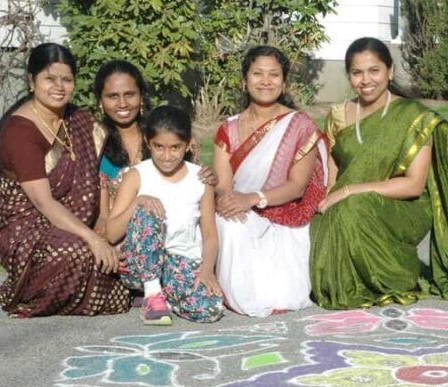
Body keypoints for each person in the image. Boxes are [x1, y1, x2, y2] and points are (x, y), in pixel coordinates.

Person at [309, 37, 448, 309]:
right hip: (349, 201)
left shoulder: (415, 116)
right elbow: (334, 168)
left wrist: (349, 190)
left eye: (374, 70)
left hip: (403, 207)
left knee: (352, 207)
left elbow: (414, 185)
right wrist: (330, 195)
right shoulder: (339, 114)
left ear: (389, 72)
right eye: (357, 73)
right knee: (323, 220)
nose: (366, 80)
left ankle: (395, 277)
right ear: (349, 76)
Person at [0, 43, 130, 318]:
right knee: (78, 251)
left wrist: (104, 222)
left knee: (110, 250)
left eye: (66, 79)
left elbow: (113, 159)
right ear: (32, 81)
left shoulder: (77, 119)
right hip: (25, 227)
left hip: (71, 223)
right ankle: (32, 295)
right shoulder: (21, 131)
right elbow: (42, 202)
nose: (59, 86)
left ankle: (83, 289)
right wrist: (94, 239)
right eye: (49, 78)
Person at [213, 45, 328, 317]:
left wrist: (253, 199)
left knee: (287, 295)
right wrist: (227, 200)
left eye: (274, 75)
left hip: (285, 213)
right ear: (244, 81)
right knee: (226, 223)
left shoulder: (299, 125)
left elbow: (297, 186)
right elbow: (221, 184)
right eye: (257, 74)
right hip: (241, 211)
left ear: (284, 82)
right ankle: (237, 295)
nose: (265, 81)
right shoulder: (228, 128)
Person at [106, 105, 223, 325]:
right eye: (159, 147)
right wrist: (137, 202)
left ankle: (165, 294)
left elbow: (209, 235)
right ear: (148, 143)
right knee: (148, 208)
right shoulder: (138, 175)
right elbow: (112, 233)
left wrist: (207, 270)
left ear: (188, 144)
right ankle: (152, 293)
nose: (167, 155)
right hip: (139, 265)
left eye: (175, 147)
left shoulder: (200, 179)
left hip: (180, 260)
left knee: (211, 308)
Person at [93, 60, 213, 235]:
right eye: (112, 96)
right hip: (116, 230)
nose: (122, 103)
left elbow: (195, 186)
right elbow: (102, 215)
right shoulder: (95, 141)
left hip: (171, 231)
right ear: (100, 101)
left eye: (130, 94)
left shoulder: (164, 133)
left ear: (141, 96)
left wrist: (209, 176)